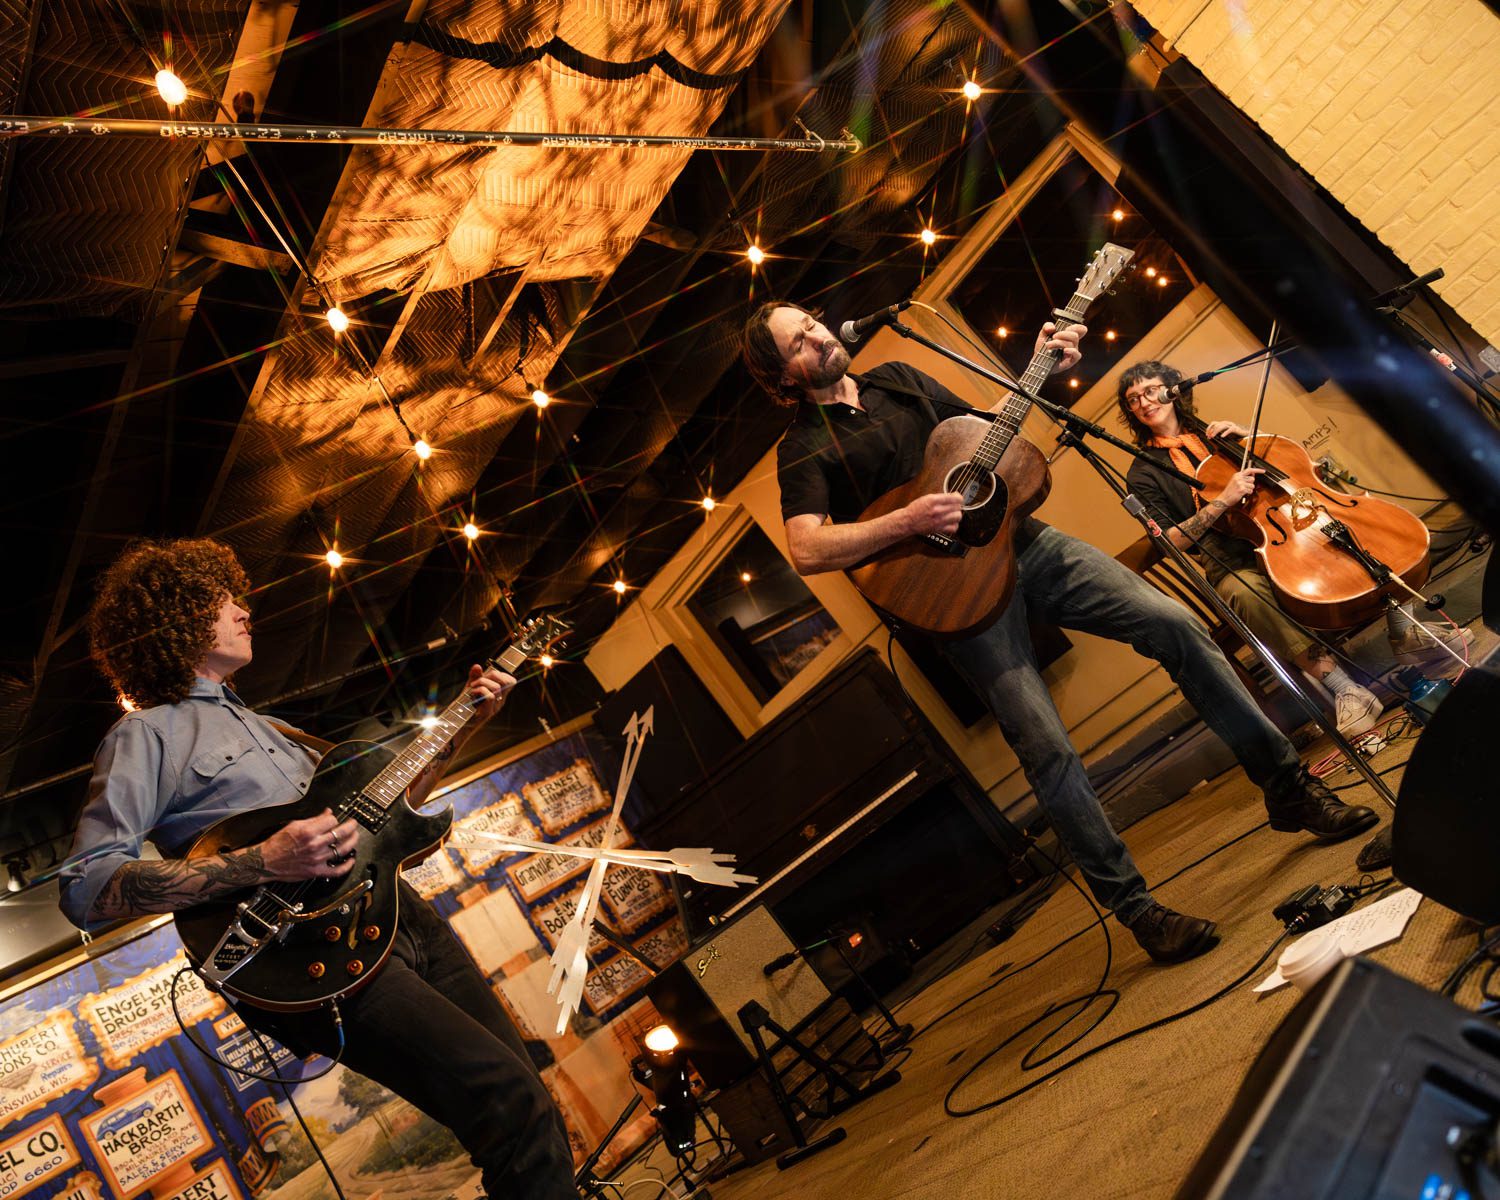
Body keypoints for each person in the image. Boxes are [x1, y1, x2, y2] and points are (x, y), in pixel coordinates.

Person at [741, 303, 1377, 965]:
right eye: (798, 341)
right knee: (1047, 750)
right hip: (956, 599)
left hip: (1031, 545)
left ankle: (1288, 788)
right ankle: (1139, 911)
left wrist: (1037, 368)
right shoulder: (804, 448)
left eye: (814, 323)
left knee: (1176, 624)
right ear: (779, 374)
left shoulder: (899, 378)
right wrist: (905, 522)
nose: (818, 336)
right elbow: (809, 548)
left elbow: (982, 438)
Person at [58, 539, 575, 1200]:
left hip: (395, 914)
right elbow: (86, 888)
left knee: (527, 1091)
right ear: (182, 620)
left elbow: (392, 813)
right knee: (509, 1103)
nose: (245, 609)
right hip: (305, 953)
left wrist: (472, 718)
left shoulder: (269, 727)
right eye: (224, 600)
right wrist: (265, 860)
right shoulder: (145, 736)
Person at [1116, 359, 1471, 739]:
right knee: (1243, 593)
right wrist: (1223, 501)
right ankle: (1345, 690)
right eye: (1133, 399)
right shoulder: (1143, 472)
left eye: (1151, 390)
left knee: (1362, 526)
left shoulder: (1218, 433)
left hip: (1291, 526)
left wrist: (1251, 434)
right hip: (1234, 560)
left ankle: (1406, 632)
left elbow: (1295, 468)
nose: (1144, 401)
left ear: (1173, 387)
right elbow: (1167, 541)